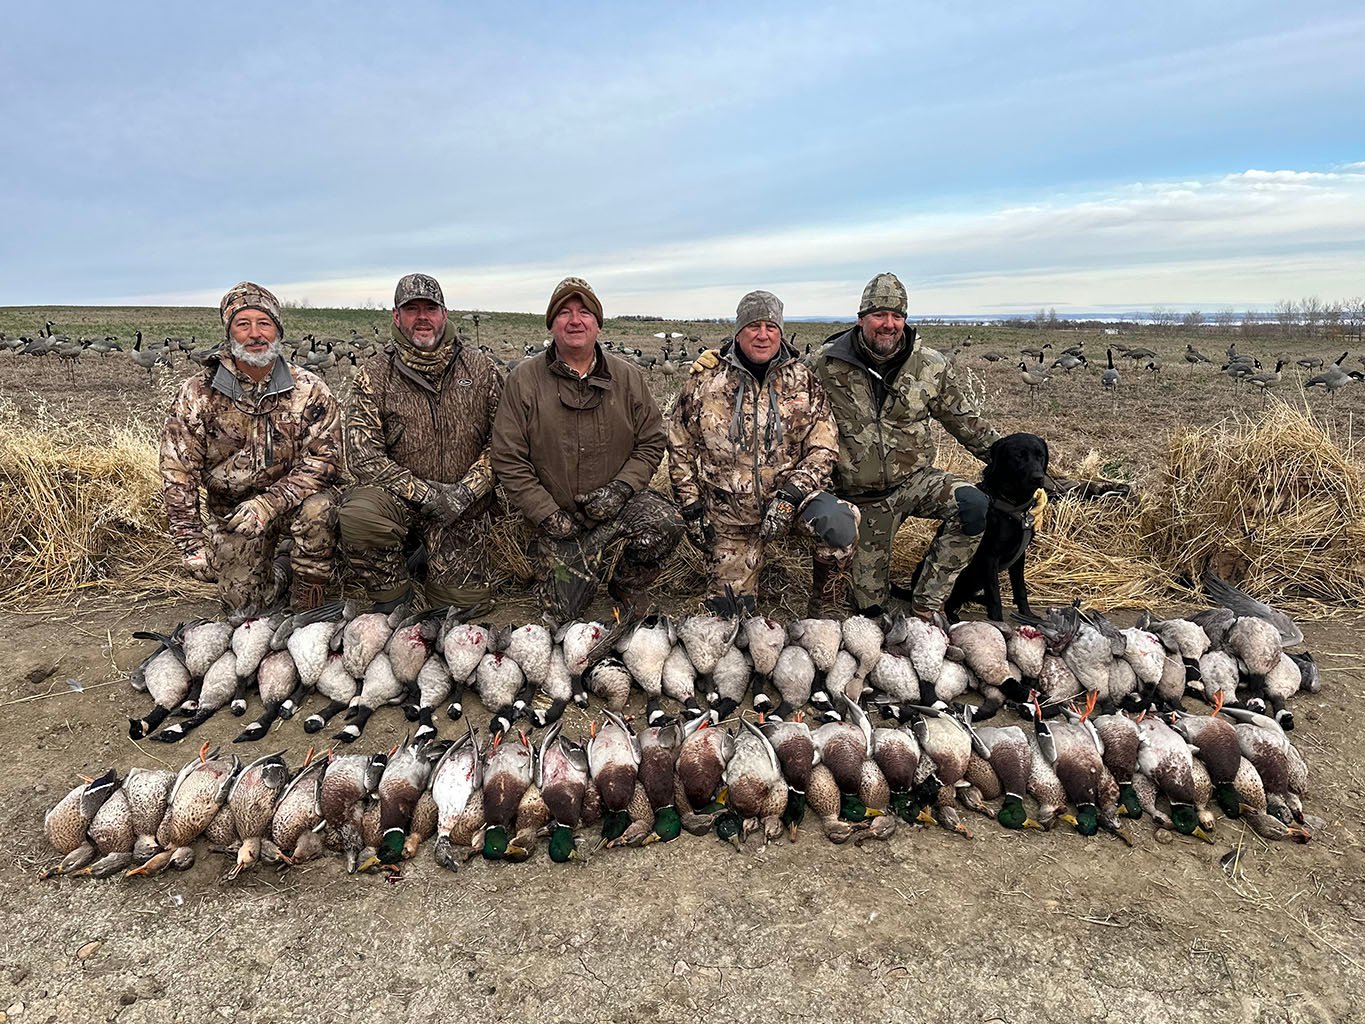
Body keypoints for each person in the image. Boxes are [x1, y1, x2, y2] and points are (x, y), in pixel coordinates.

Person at [809, 272, 1003, 618]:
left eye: (897, 316)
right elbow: (778, 383)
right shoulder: (825, 364)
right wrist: (721, 359)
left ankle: (928, 603)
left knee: (973, 505)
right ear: (861, 319)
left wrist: (1020, 471)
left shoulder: (930, 365)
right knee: (869, 609)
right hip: (860, 498)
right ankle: (872, 591)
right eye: (879, 315)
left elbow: (967, 424)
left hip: (915, 482)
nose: (889, 324)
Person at [491, 276, 682, 620]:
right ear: (552, 324)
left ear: (597, 324)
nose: (575, 320)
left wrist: (621, 490)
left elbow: (653, 440)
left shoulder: (628, 378)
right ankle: (570, 565)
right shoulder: (523, 380)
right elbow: (507, 457)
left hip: (616, 508)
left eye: (584, 312)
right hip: (558, 518)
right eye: (564, 312)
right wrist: (546, 514)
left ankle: (626, 583)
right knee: (561, 615)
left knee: (666, 522)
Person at [668, 290, 859, 616]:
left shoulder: (803, 381)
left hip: (792, 505)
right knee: (729, 618)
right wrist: (692, 507)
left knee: (840, 521)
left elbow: (824, 446)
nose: (762, 334)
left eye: (771, 326)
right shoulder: (706, 381)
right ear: (739, 330)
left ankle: (825, 612)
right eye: (753, 325)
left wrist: (791, 495)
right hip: (730, 520)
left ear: (780, 331)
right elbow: (678, 444)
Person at [160, 281, 341, 615]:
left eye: (265, 323)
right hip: (233, 517)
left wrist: (269, 504)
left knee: (320, 510)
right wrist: (190, 542)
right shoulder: (198, 393)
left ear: (278, 331)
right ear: (230, 333)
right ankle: (283, 569)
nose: (255, 334)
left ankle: (308, 598)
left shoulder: (309, 389)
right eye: (243, 324)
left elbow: (325, 460)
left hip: (293, 504)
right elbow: (177, 471)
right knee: (244, 612)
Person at [335, 273, 504, 612]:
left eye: (431, 308)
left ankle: (426, 560)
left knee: (463, 610)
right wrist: (424, 494)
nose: (422, 317)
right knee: (359, 516)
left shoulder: (482, 368)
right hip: (403, 501)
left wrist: (465, 492)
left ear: (444, 313)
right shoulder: (374, 374)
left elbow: (503, 443)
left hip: (463, 506)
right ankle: (395, 598)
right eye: (412, 309)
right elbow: (363, 456)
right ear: (396, 316)